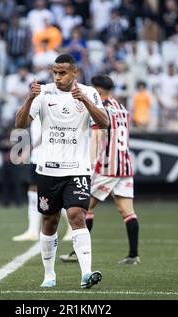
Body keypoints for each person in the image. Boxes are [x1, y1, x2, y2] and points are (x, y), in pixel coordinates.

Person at [14, 54, 109, 288]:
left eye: (63, 72)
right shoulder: (44, 93)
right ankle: (49, 275)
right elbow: (19, 125)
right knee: (50, 222)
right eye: (55, 72)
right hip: (48, 170)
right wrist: (29, 98)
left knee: (77, 216)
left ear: (74, 72)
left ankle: (86, 274)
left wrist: (85, 101)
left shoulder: (89, 92)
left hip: (77, 169)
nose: (58, 77)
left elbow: (105, 122)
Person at [60, 75, 140, 265]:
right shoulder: (122, 109)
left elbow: (97, 139)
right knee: (127, 212)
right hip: (125, 166)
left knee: (82, 207)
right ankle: (133, 255)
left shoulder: (101, 109)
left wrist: (85, 167)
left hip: (107, 167)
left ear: (98, 90)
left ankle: (78, 252)